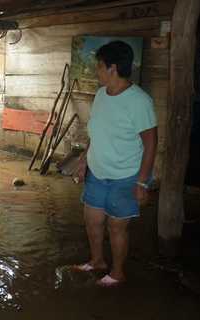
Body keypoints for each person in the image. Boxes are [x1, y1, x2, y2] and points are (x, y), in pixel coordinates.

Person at [74, 41, 158, 287]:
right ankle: (98, 261)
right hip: (97, 173)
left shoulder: (139, 101)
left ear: (112, 68)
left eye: (98, 66)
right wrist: (84, 160)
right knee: (92, 220)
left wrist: (142, 181)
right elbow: (96, 131)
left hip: (125, 176)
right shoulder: (101, 95)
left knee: (116, 227)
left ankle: (118, 272)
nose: (95, 71)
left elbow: (151, 143)